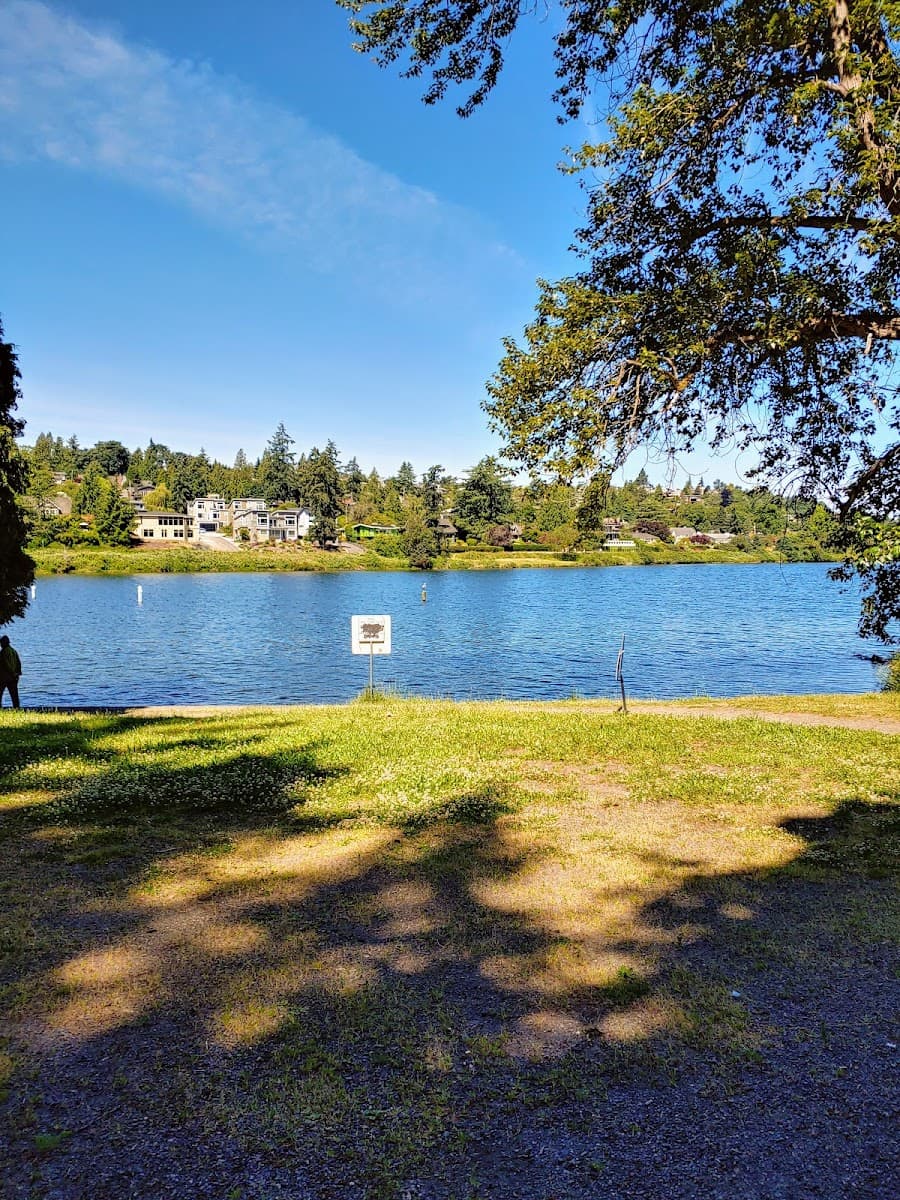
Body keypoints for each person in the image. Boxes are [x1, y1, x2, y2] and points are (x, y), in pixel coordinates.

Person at [0, 635, 22, 709]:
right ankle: (17, 709)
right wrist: (18, 673)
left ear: (3, 643)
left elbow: (6, 664)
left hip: (4, 678)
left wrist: (12, 673)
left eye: (1, 643)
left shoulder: (3, 652)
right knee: (14, 695)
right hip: (14, 677)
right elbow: (19, 663)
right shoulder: (13, 650)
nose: (1, 645)